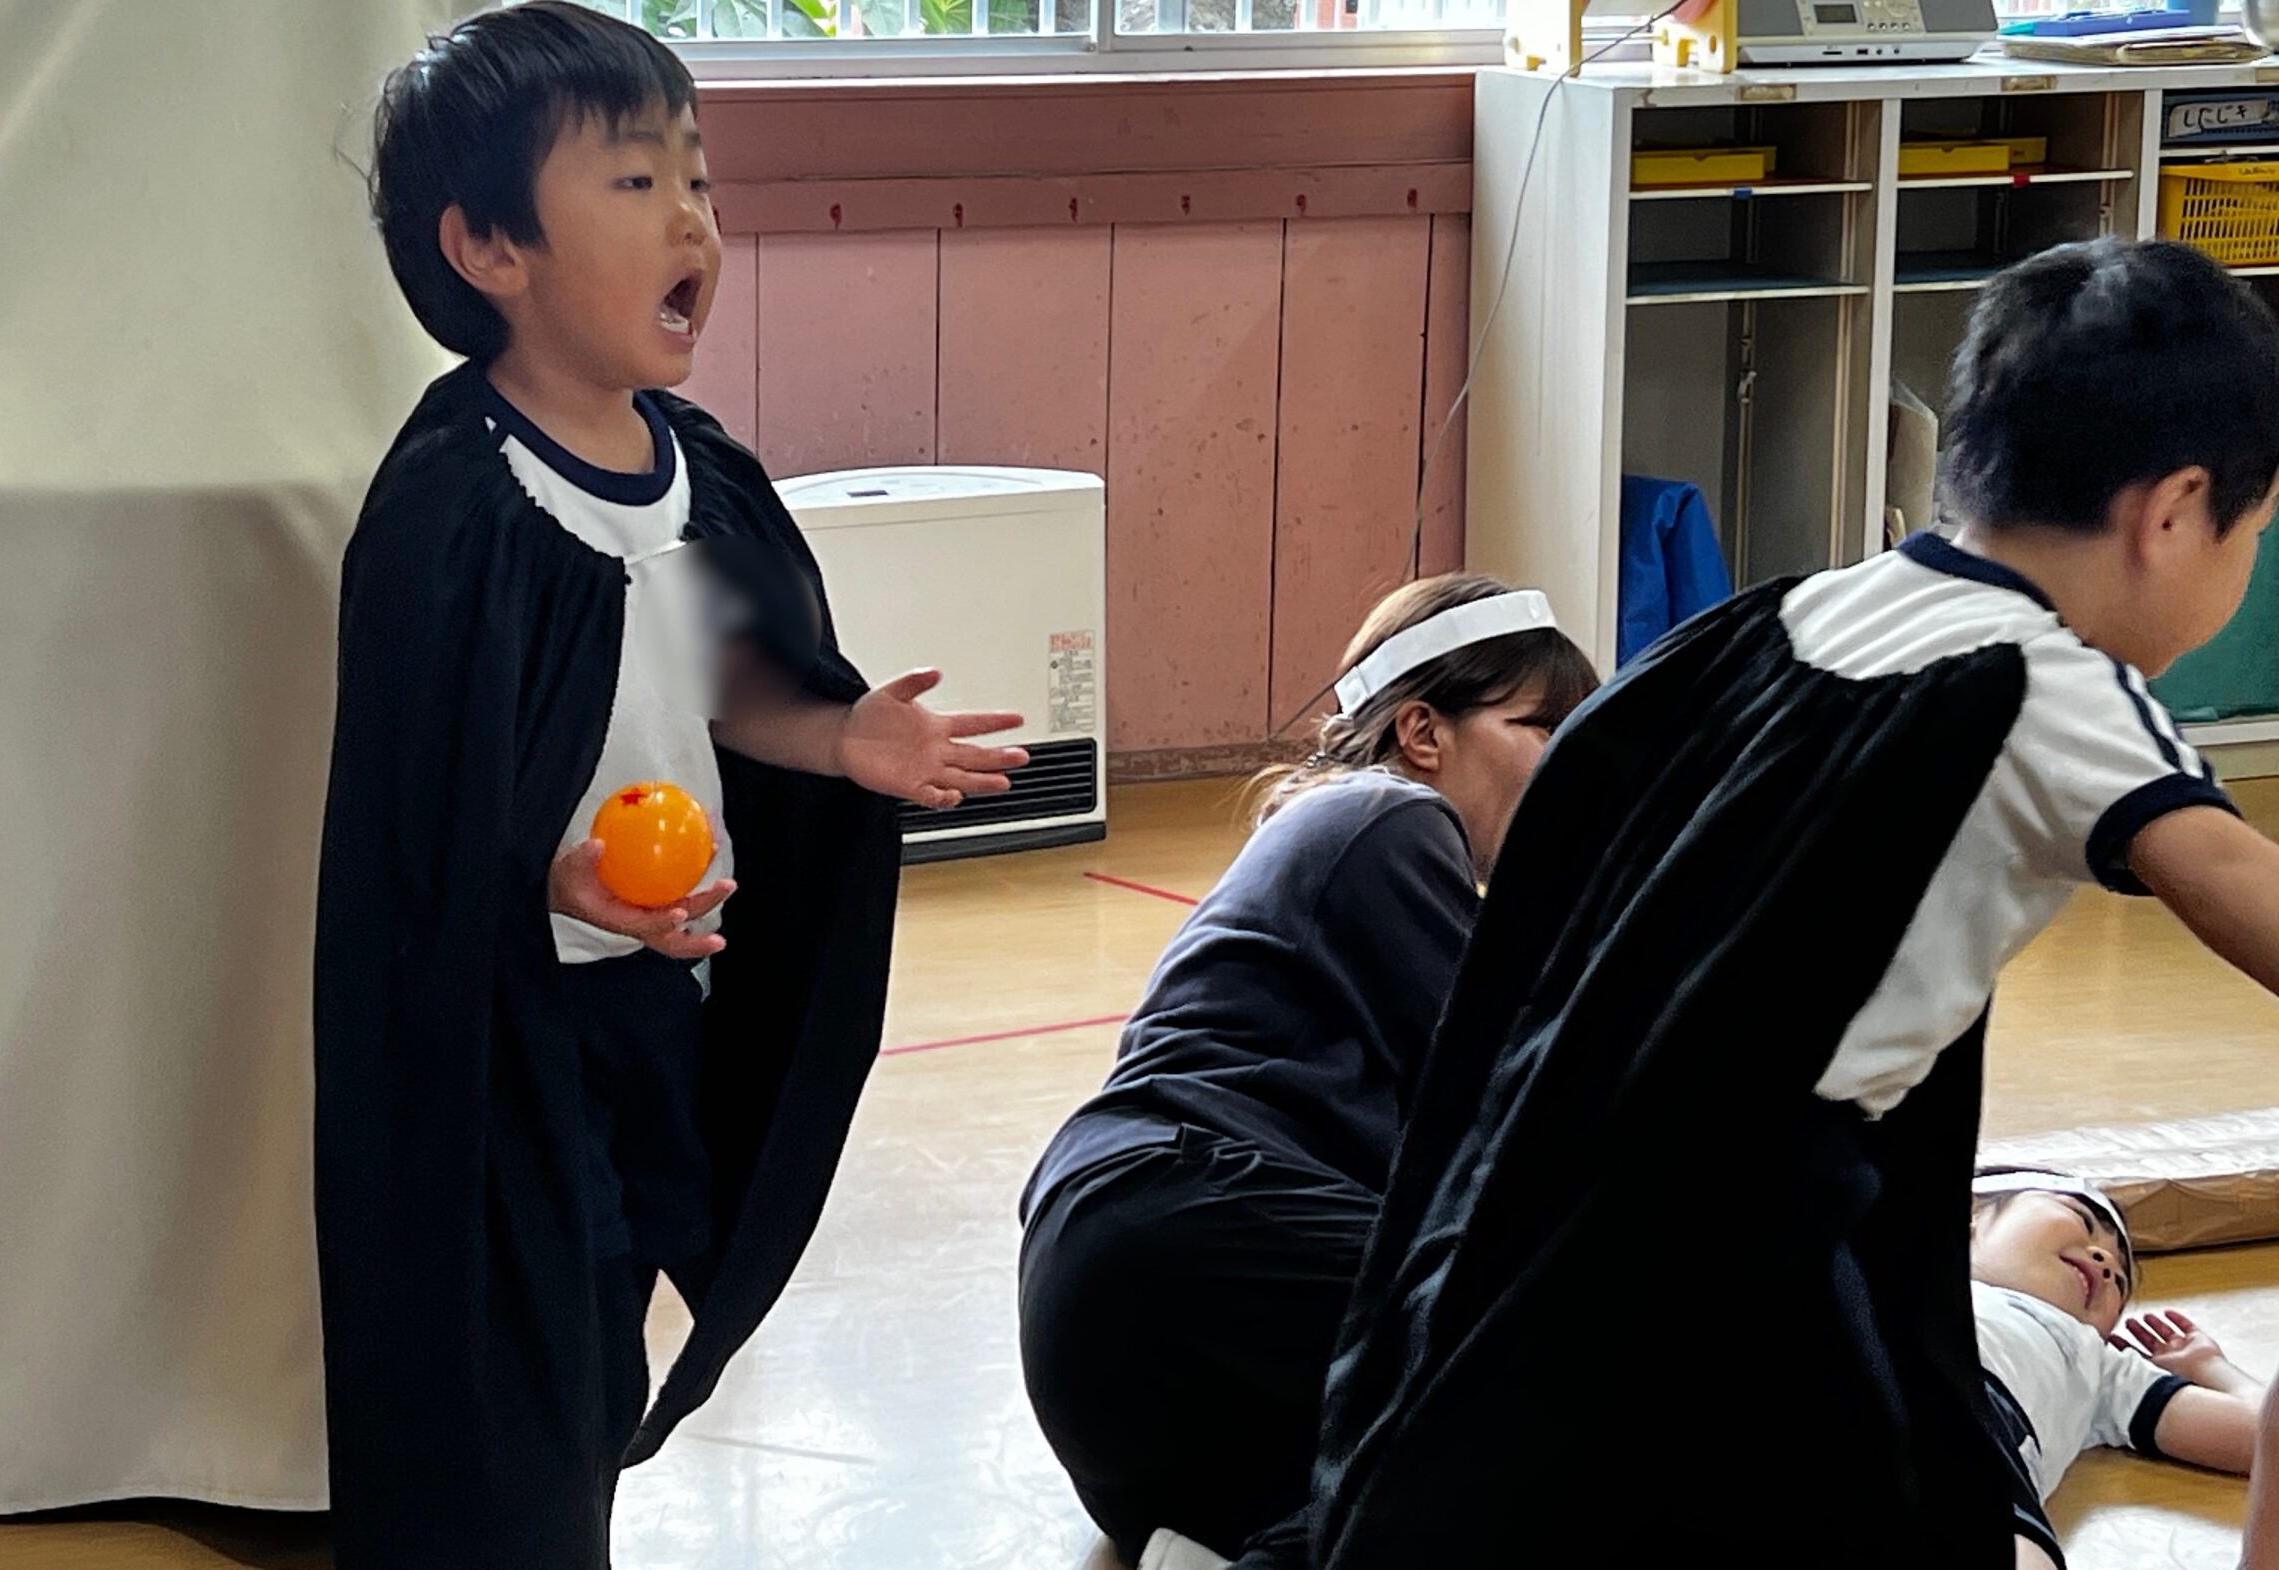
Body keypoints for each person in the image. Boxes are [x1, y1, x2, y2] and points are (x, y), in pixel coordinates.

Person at [1311, 236, 2279, 1568]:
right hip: (1737, 1251)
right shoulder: (2050, 686)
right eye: (2253, 535)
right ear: (2174, 510)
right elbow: (2237, 886)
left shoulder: (1779, 618)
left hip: (1529, 1194)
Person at [314, 8, 1024, 1566]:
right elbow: (419, 817)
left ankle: (574, 1513)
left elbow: (728, 678)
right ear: (489, 247)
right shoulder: (454, 502)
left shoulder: (696, 471)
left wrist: (840, 740)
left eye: (697, 177)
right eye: (636, 183)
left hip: (662, 993)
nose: (692, 218)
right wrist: (546, 877)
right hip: (516, 1029)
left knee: (619, 1294)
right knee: (528, 1331)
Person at [1017, 575, 1598, 1570]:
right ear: (1423, 732)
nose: (1573, 767)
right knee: (1573, 1361)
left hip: (1128, 1349)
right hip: (1181, 1222)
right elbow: (1528, 1108)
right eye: (1545, 729)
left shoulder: (1337, 833)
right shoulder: (1389, 816)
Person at [1966, 1168, 2265, 1567]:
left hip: (1977, 1447)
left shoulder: (2093, 1361)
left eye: (2120, 1284)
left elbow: (2264, 1433)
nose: (2106, 1263)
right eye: (2081, 1219)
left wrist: (2209, 1367)